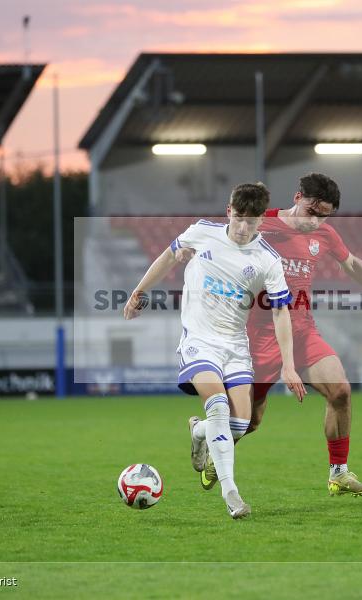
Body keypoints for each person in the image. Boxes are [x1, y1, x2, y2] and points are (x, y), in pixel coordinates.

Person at [179, 173, 362, 496]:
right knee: (249, 423)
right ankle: (203, 431)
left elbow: (353, 265)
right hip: (256, 337)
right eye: (312, 212)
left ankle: (339, 474)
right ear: (297, 197)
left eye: (324, 216)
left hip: (301, 332)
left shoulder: (326, 235)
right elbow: (222, 236)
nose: (315, 222)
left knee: (341, 391)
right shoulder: (263, 223)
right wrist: (189, 251)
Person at [123, 182, 305, 520]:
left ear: (261, 222)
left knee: (240, 424)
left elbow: (281, 312)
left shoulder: (268, 259)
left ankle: (198, 430)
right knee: (218, 407)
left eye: (251, 222)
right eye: (238, 219)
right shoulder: (202, 232)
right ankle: (231, 493)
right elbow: (167, 256)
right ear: (228, 211)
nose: (242, 228)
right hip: (199, 341)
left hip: (236, 347)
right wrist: (139, 291)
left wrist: (289, 366)